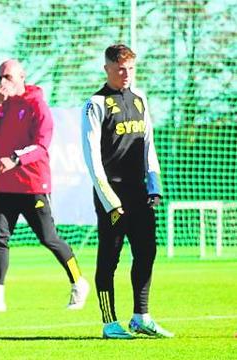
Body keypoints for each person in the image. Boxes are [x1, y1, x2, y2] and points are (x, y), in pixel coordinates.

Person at [0, 59, 89, 312]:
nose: (4, 83)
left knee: (49, 238)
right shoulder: (1, 105)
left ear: (22, 77)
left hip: (32, 184)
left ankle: (78, 282)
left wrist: (15, 159)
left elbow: (41, 145)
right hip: (3, 185)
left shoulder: (37, 105)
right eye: (0, 77)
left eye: (9, 77)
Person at [81, 44, 173, 339]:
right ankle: (109, 323)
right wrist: (110, 200)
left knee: (147, 252)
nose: (126, 74)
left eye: (131, 68)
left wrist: (154, 184)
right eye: (121, 69)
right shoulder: (95, 104)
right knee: (110, 257)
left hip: (139, 192)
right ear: (107, 68)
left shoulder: (140, 99)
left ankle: (141, 317)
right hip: (112, 194)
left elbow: (149, 144)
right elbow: (92, 157)